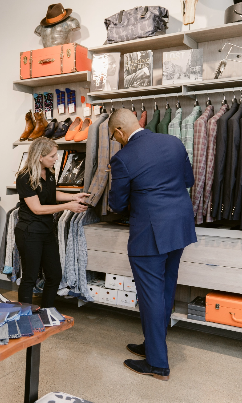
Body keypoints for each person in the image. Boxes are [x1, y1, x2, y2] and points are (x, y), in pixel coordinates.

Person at [108, 109, 197, 381]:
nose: (116, 141)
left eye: (114, 136)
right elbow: (188, 181)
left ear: (120, 132)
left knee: (150, 296)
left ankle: (158, 364)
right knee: (166, 290)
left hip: (150, 233)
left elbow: (117, 204)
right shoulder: (173, 142)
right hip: (179, 227)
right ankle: (152, 344)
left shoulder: (123, 158)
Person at [15, 137, 89, 308]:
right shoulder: (24, 177)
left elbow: (51, 195)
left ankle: (46, 311)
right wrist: (68, 206)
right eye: (52, 156)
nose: (56, 158)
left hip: (47, 231)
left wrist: (73, 196)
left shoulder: (49, 172)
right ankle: (24, 317)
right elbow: (37, 208)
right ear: (40, 157)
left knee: (54, 275)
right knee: (30, 277)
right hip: (29, 232)